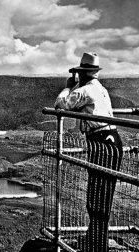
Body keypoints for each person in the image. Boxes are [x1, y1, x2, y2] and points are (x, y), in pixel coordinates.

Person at [54, 52, 123, 252]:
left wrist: (68, 86)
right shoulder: (100, 90)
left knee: (96, 195)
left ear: (83, 74)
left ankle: (97, 244)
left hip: (101, 142)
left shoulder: (85, 91)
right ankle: (96, 240)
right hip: (111, 140)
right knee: (103, 194)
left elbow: (61, 105)